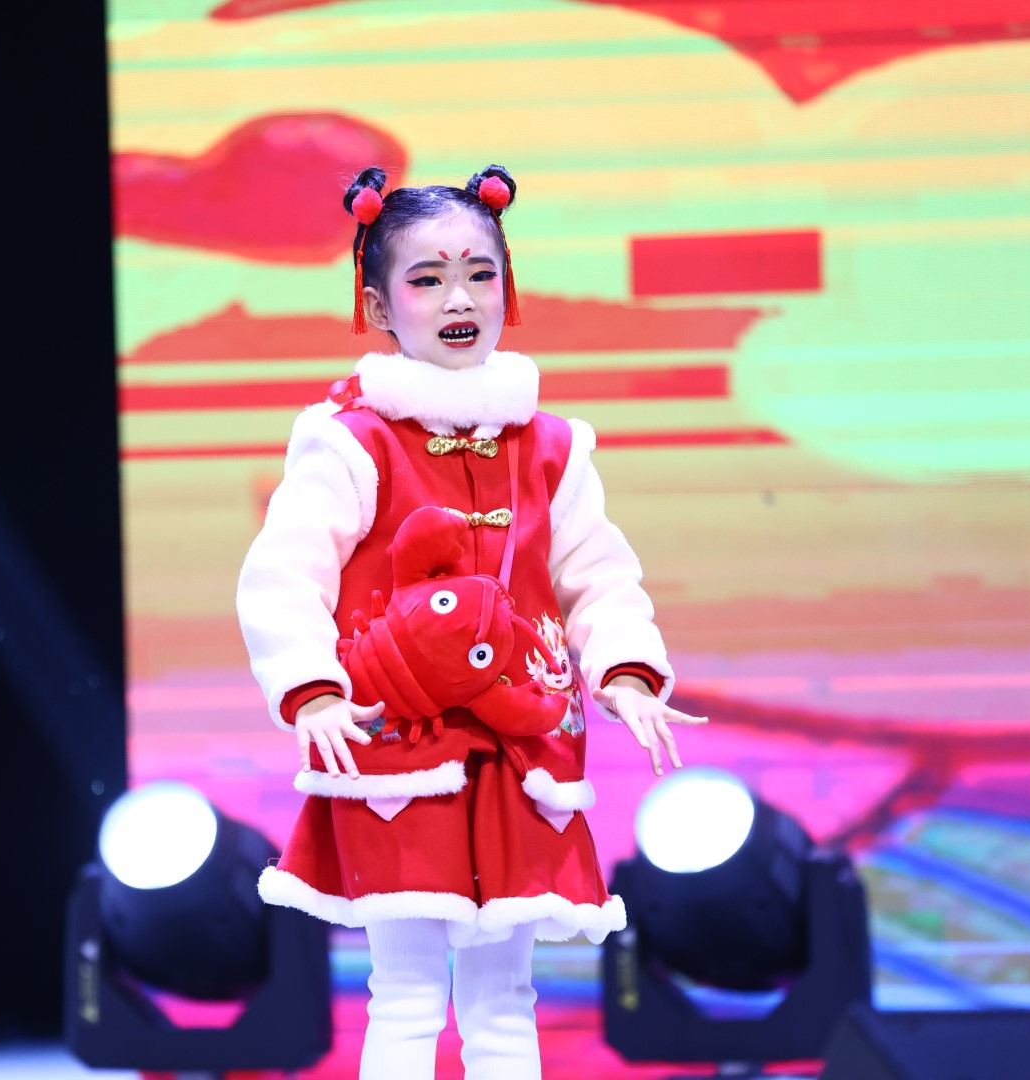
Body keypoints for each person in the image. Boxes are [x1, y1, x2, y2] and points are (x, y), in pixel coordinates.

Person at [236, 163, 706, 1080]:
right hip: (396, 746)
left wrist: (625, 670)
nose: (460, 299)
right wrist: (312, 690)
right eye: (428, 279)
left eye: (480, 274)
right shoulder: (352, 441)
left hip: (523, 749)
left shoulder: (552, 446)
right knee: (408, 992)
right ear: (378, 305)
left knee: (503, 998)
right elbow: (283, 573)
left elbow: (596, 576)